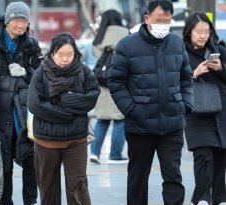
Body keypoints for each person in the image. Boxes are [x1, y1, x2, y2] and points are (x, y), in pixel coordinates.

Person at [107, 0, 194, 204]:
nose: (163, 24)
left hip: (172, 123)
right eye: (158, 20)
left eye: (167, 20)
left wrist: (186, 104)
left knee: (173, 176)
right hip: (140, 125)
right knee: (138, 178)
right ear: (147, 18)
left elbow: (186, 77)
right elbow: (115, 81)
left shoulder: (176, 42)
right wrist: (131, 109)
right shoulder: (127, 45)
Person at [0, 1, 42, 205]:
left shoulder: (31, 44)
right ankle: (6, 202)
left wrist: (26, 72)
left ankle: (30, 201)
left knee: (30, 160)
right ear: (8, 21)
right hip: (1, 112)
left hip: (25, 113)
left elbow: (42, 75)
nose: (21, 26)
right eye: (17, 21)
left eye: (24, 21)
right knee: (4, 163)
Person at [27, 32, 100, 205]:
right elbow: (34, 104)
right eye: (61, 54)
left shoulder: (83, 71)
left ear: (76, 54)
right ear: (52, 53)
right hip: (46, 141)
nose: (65, 59)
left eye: (70, 54)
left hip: (76, 140)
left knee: (78, 188)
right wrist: (66, 113)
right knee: (48, 190)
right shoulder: (41, 73)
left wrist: (66, 100)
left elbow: (92, 96)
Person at [182, 13, 226, 205]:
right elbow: (173, 82)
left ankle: (220, 197)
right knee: (203, 155)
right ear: (189, 32)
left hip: (220, 110)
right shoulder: (180, 53)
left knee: (220, 156)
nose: (202, 36)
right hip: (196, 112)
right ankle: (201, 198)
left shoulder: (220, 51)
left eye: (206, 32)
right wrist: (194, 73)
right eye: (198, 32)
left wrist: (221, 69)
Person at [89, 9, 129, 164]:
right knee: (120, 119)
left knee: (102, 119)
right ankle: (115, 154)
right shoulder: (127, 33)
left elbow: (96, 56)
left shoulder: (100, 35)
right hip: (121, 84)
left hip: (102, 85)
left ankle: (94, 153)